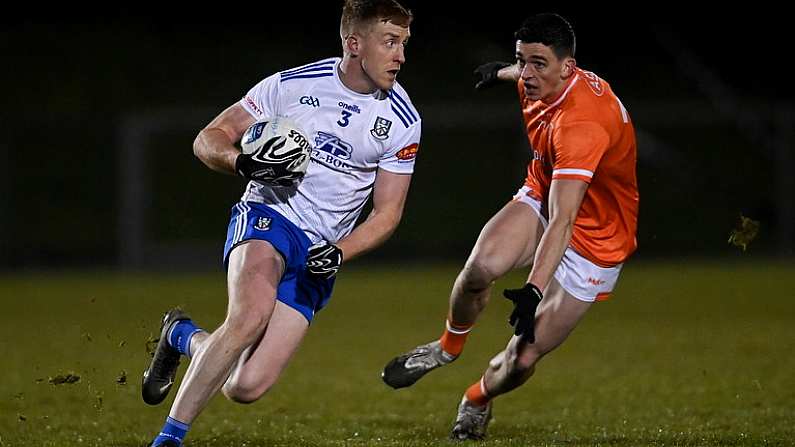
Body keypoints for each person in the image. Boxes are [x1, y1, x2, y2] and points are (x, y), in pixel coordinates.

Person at [140, 2, 419, 446]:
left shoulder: (402, 121)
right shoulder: (291, 85)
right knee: (248, 318)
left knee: (244, 386)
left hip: (319, 251)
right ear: (354, 44)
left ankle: (183, 337)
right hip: (269, 216)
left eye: (404, 43)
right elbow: (208, 139)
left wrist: (340, 251)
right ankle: (168, 439)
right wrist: (243, 164)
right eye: (389, 42)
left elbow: (387, 213)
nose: (400, 55)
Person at [381, 12, 639, 440]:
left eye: (537, 64)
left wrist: (534, 288)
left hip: (596, 238)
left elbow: (565, 220)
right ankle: (446, 348)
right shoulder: (542, 76)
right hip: (545, 193)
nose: (527, 74)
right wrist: (500, 71)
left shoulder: (581, 125)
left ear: (567, 68)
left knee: (521, 360)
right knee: (480, 269)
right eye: (522, 61)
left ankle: (476, 398)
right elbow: (527, 72)